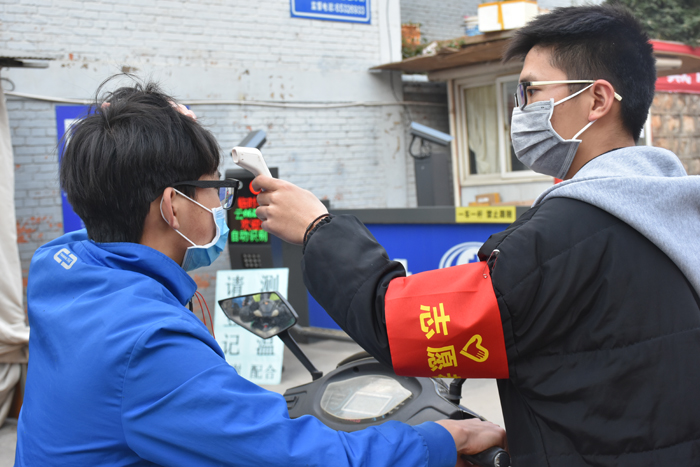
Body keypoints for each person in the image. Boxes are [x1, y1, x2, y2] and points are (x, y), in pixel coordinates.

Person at [254, 4, 700, 466]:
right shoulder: (672, 214)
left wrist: (317, 229)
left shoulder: (571, 233)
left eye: (531, 91)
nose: (519, 110)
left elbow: (404, 326)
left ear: (598, 100)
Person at [14, 79, 506, 466]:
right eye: (215, 189)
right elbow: (297, 456)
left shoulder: (63, 269)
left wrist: (143, 129)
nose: (222, 205)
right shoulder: (148, 343)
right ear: (173, 206)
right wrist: (442, 440)